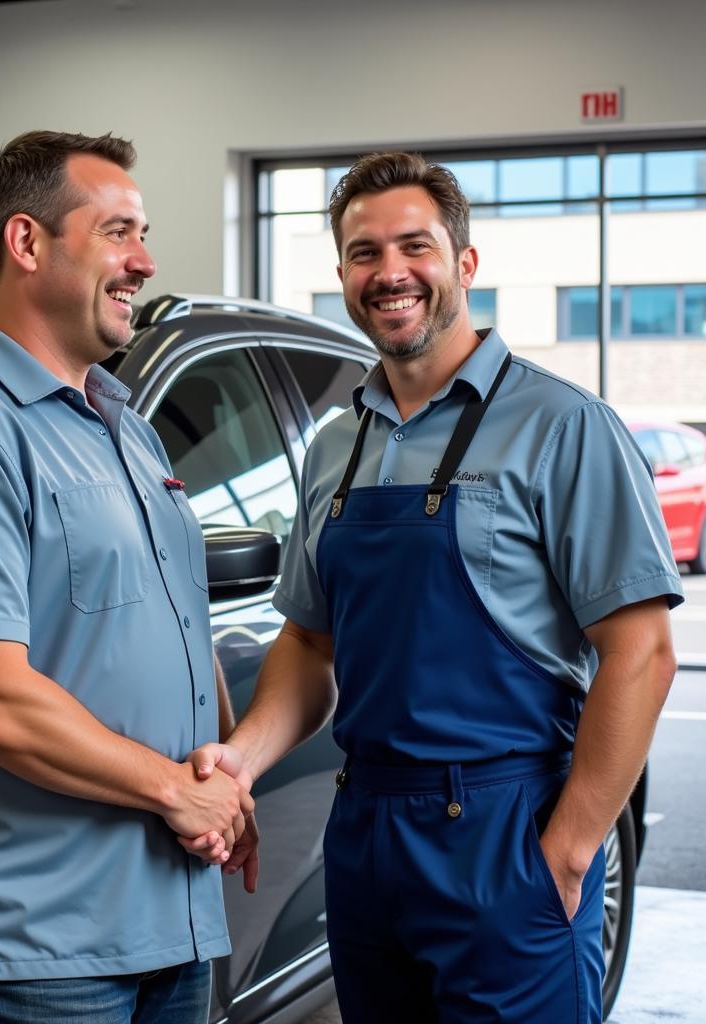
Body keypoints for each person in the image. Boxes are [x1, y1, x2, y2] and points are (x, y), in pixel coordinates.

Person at [189, 151, 682, 1022]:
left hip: (506, 829)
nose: (390, 273)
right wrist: (245, 757)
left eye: (413, 246)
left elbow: (639, 655)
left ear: (463, 263)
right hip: (367, 831)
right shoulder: (336, 447)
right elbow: (309, 642)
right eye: (363, 252)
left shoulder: (564, 427)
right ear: (342, 273)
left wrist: (566, 854)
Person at [0, 130, 255, 1024]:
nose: (144, 261)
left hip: (173, 915)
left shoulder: (126, 428)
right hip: (39, 949)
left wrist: (221, 780)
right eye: (118, 232)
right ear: (27, 243)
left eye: (143, 234)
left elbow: (167, 623)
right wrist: (177, 790)